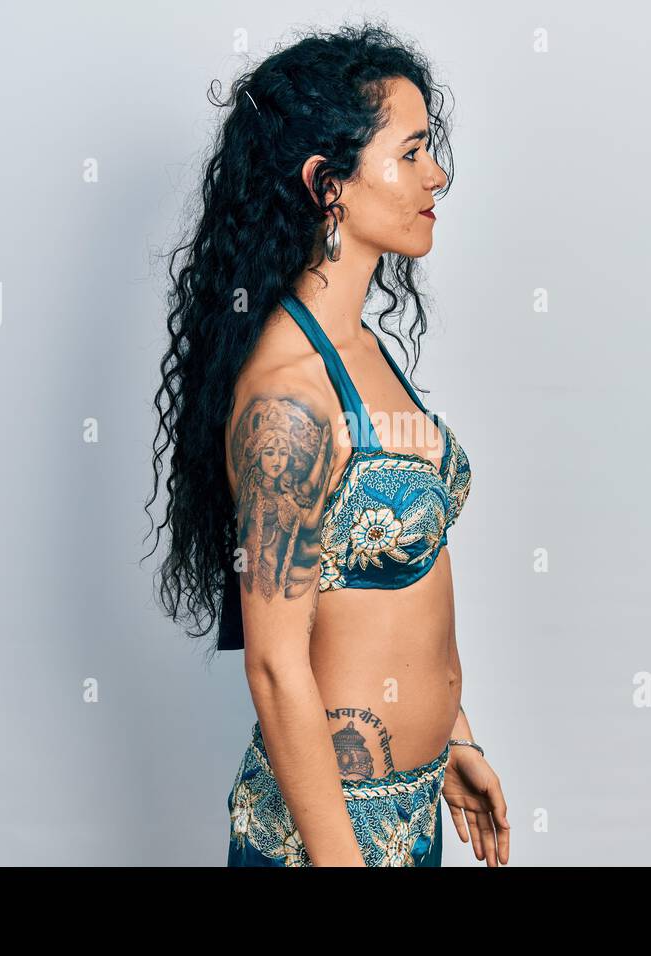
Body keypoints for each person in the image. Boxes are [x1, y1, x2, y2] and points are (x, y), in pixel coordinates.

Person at [145, 22, 509, 867]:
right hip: (324, 842)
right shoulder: (291, 399)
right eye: (410, 153)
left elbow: (400, 593)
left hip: (413, 812)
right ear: (327, 183)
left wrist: (454, 733)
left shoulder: (364, 348)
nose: (437, 175)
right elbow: (275, 669)